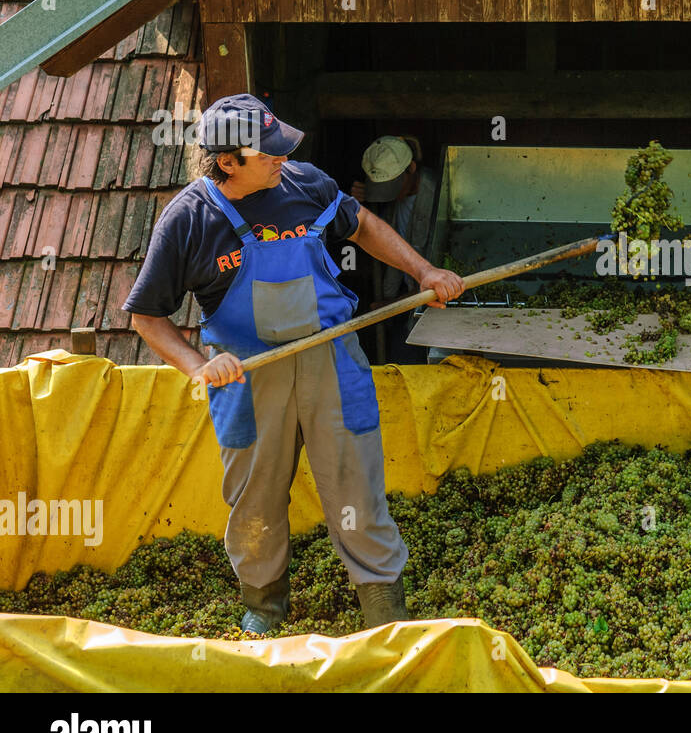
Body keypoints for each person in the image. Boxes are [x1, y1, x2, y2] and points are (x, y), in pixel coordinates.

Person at [122, 94, 465, 634]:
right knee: (254, 498)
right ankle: (263, 606)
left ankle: (381, 605)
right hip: (248, 375)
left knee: (355, 485)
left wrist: (424, 271)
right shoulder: (188, 220)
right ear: (228, 162)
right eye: (268, 153)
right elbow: (146, 316)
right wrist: (196, 366)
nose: (282, 158)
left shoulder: (305, 184)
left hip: (332, 358)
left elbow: (363, 226)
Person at [350, 135, 439, 364]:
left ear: (411, 169)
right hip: (401, 299)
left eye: (392, 184)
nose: (389, 192)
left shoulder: (438, 198)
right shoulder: (386, 203)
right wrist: (355, 208)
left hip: (426, 304)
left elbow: (441, 271)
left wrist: (391, 305)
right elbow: (368, 233)